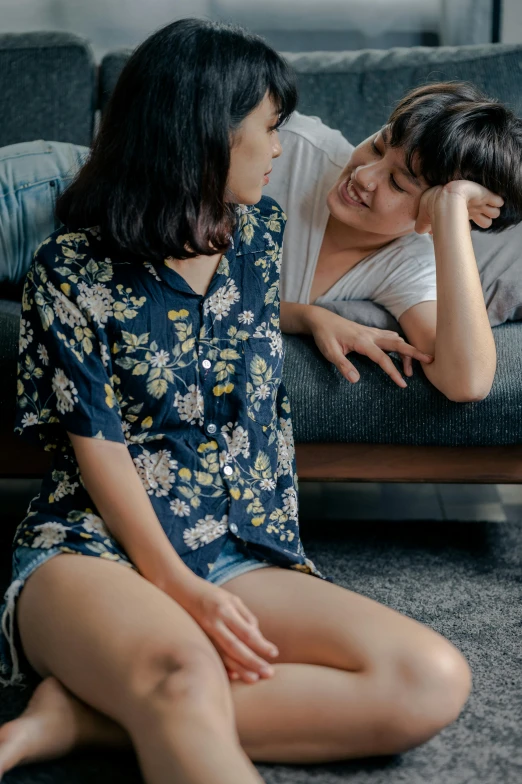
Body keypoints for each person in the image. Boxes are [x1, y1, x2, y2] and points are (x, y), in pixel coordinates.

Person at [0, 19, 471, 784]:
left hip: (242, 548)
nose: (281, 149)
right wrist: (179, 587)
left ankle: (83, 717)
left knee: (430, 679)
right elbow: (99, 445)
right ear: (206, 133)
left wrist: (309, 313)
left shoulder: (255, 240)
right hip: (98, 548)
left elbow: (204, 316)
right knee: (182, 672)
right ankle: (145, 696)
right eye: (269, 129)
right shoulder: (68, 269)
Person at [266, 83, 522, 401]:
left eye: (397, 183)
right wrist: (310, 316)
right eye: (377, 146)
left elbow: (466, 382)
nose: (363, 176)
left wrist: (453, 209)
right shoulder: (287, 147)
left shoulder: (407, 263)